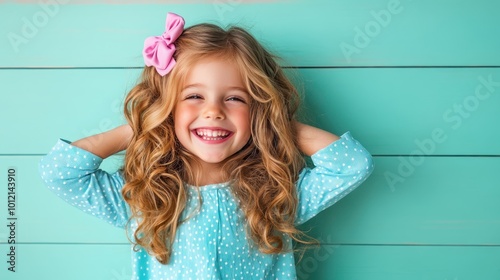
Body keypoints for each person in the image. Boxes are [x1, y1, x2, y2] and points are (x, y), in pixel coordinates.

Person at [39, 12, 374, 280]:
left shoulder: (274, 194)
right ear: (167, 106)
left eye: (234, 98)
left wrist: (270, 122)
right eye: (194, 96)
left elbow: (353, 164)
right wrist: (147, 124)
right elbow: (60, 172)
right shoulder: (146, 197)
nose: (213, 111)